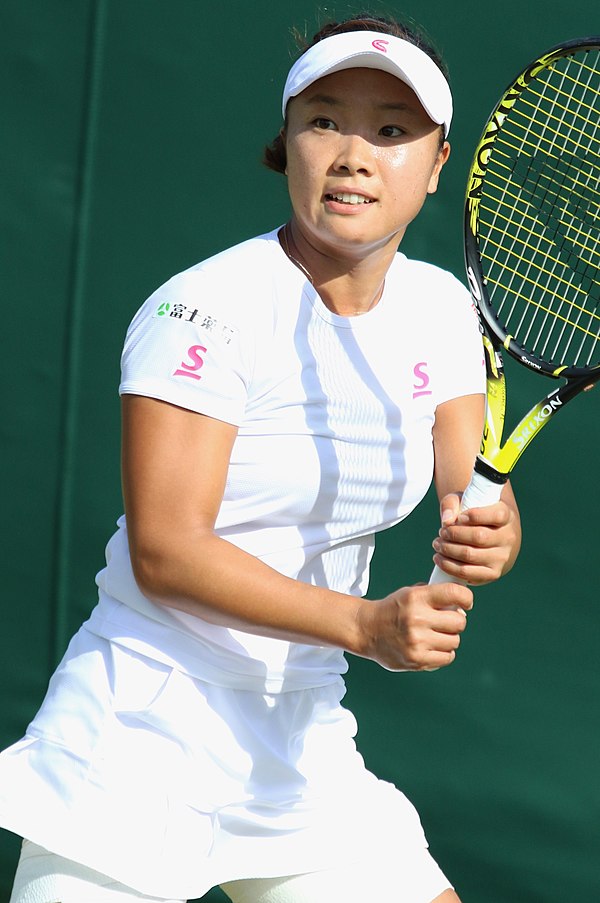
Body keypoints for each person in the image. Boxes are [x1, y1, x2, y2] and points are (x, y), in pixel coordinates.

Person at [0, 13, 521, 903]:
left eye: (393, 132)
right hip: (141, 731)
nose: (356, 153)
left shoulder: (441, 308)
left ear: (437, 167)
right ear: (286, 144)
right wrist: (366, 626)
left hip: (299, 737)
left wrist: (490, 533)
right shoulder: (202, 309)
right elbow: (167, 552)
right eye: (326, 120)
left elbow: (463, 483)